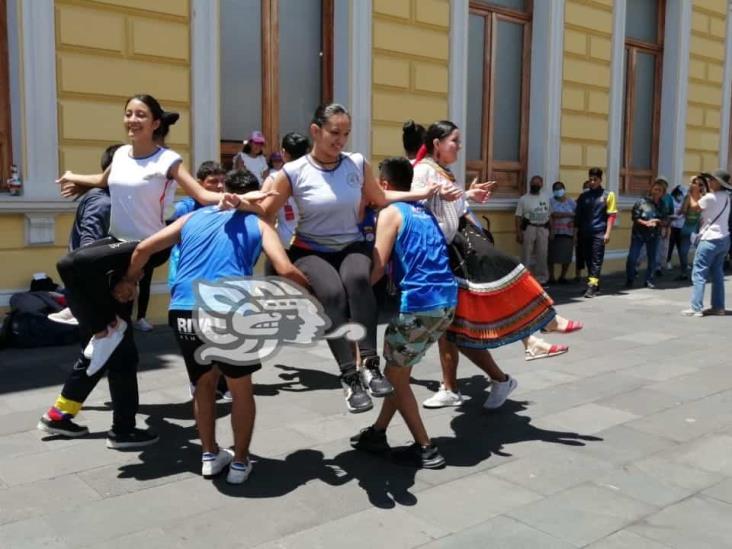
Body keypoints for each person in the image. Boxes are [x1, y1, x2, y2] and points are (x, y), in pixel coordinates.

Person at [54, 95, 268, 447]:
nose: (132, 120)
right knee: (123, 348)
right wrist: (77, 178)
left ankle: (97, 327)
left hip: (146, 246)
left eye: (141, 115)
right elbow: (104, 179)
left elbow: (200, 192)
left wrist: (234, 200)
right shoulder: (122, 155)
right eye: (128, 114)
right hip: (117, 248)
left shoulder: (167, 159)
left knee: (70, 264)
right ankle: (123, 428)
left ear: (155, 123)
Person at [113, 169, 309, 484]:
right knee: (240, 388)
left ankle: (208, 455)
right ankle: (241, 462)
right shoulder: (259, 223)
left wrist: (130, 280)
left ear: (225, 191)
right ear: (255, 195)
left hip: (184, 311)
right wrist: (313, 294)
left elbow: (142, 249)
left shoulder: (192, 218)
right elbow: (285, 268)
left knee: (202, 385)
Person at [257, 103, 441, 414]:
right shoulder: (292, 172)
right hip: (310, 249)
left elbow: (379, 198)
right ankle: (350, 377)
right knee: (331, 293)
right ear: (315, 131)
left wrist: (417, 195)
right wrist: (281, 262)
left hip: (351, 245)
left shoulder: (356, 163)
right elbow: (264, 216)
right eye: (334, 133)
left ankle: (370, 364)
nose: (341, 140)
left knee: (358, 279)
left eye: (346, 134)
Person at [412, 121, 577, 411]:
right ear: (437, 144)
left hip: (449, 258)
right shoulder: (423, 171)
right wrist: (462, 196)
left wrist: (468, 197)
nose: (459, 147)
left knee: (458, 328)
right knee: (458, 326)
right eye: (455, 141)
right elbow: (419, 206)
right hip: (438, 259)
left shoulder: (443, 172)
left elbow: (454, 210)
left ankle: (533, 335)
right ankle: (533, 335)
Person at [350, 157, 456, 469]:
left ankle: (426, 449)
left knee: (396, 378)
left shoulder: (391, 213)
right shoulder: (424, 212)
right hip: (447, 302)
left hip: (419, 305)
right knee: (399, 372)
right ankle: (378, 432)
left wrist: (352, 296)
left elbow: (378, 267)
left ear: (383, 185)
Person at [38, 143, 143, 444]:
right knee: (118, 357)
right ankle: (123, 430)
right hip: (101, 296)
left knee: (103, 354)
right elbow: (89, 252)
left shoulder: (105, 198)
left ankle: (61, 416)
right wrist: (117, 288)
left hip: (96, 296)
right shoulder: (104, 202)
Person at [682, 169, 731, 317]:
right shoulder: (727, 197)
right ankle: (719, 307)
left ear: (718, 183)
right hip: (724, 238)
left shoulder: (709, 197)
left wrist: (692, 191)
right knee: (717, 273)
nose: (709, 182)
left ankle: (696, 307)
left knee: (699, 272)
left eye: (712, 180)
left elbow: (694, 207)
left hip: (709, 239)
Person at [261, 132, 311, 251]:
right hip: (314, 243)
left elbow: (264, 212)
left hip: (284, 242)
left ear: (284, 153)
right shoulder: (319, 178)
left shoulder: (273, 178)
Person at [575, 167, 617, 298]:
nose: (592, 182)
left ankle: (592, 286)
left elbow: (611, 215)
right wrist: (576, 234)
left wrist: (608, 233)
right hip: (585, 232)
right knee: (588, 259)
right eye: (590, 179)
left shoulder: (608, 195)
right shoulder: (583, 196)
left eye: (595, 179)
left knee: (596, 260)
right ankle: (594, 284)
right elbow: (578, 217)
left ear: (600, 180)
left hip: (599, 232)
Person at [626, 181, 665, 289]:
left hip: (654, 235)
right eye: (655, 189)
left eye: (660, 190)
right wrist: (646, 223)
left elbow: (665, 219)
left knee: (652, 258)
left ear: (663, 193)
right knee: (632, 258)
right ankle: (630, 278)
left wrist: (659, 221)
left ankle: (649, 280)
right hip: (639, 234)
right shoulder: (641, 202)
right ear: (651, 190)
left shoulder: (662, 204)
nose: (657, 192)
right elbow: (635, 217)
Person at [515, 175, 551, 284]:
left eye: (538, 183)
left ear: (541, 184)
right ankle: (524, 278)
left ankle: (542, 278)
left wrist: (551, 230)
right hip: (529, 228)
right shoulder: (523, 199)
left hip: (543, 228)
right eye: (533, 183)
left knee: (542, 254)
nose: (535, 185)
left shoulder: (545, 197)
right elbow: (517, 216)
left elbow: (550, 214)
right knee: (526, 254)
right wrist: (518, 232)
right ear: (530, 184)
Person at [548, 181, 576, 284]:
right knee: (551, 255)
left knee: (566, 256)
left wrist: (572, 218)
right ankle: (551, 277)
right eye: (555, 189)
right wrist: (569, 214)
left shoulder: (571, 202)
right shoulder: (550, 201)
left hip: (568, 232)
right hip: (554, 232)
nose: (557, 190)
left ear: (564, 189)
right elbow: (553, 214)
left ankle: (562, 276)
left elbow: (577, 215)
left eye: (559, 188)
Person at [667, 182, 688, 277]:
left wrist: (680, 215)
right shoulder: (671, 199)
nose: (680, 196)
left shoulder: (684, 200)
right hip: (672, 226)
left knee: (681, 247)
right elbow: (671, 211)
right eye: (679, 194)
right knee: (670, 245)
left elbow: (684, 212)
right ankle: (668, 261)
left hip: (680, 226)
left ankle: (683, 264)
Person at [573, 180, 591, 282]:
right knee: (579, 254)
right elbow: (576, 219)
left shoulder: (596, 200)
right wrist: (575, 234)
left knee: (591, 255)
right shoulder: (579, 200)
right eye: (585, 187)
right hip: (581, 231)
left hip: (592, 231)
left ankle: (591, 276)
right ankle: (578, 275)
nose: (587, 189)